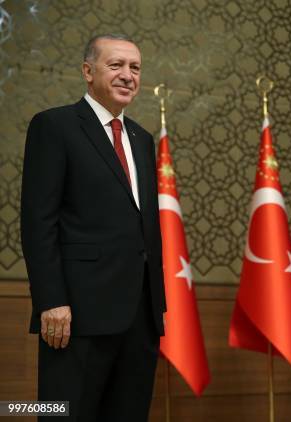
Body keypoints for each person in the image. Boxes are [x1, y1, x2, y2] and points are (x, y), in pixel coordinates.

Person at [20, 34, 165, 421]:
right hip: (77, 314)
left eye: (135, 68)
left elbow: (143, 225)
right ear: (88, 71)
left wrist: (158, 307)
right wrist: (51, 299)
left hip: (141, 316)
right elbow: (38, 222)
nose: (128, 75)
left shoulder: (142, 138)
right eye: (115, 65)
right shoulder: (55, 126)